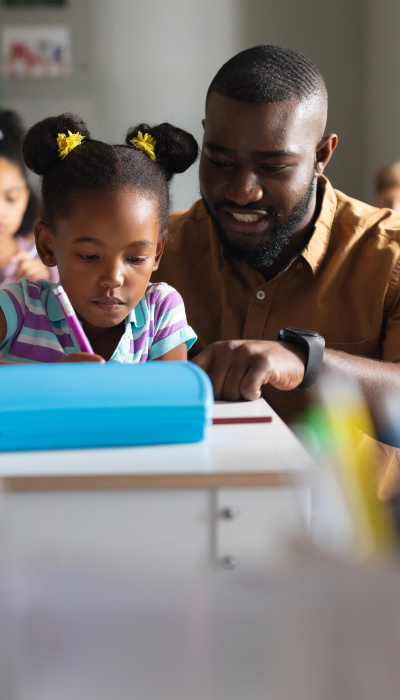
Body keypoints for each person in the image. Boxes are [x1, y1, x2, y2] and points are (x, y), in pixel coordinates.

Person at [153, 45, 400, 499]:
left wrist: (308, 363)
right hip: (183, 518)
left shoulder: (390, 256)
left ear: (322, 154)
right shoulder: (152, 251)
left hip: (353, 553)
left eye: (273, 167)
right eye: (221, 162)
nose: (242, 191)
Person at [0, 113, 197, 364]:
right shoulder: (20, 307)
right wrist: (47, 381)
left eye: (136, 258)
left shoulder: (160, 311)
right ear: (47, 245)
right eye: (89, 256)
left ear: (157, 253)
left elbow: (173, 398)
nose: (113, 278)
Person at [0, 108, 58, 286]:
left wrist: (42, 287)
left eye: (11, 198)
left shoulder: (45, 257)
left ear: (25, 198)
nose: (0, 211)